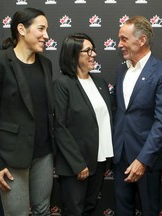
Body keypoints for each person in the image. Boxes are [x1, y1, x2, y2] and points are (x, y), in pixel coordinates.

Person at [0, 8, 54, 216]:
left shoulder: (46, 64)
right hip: (12, 159)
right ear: (21, 29)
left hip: (44, 155)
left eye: (47, 30)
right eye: (41, 29)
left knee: (43, 210)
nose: (46, 35)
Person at [113, 16, 162, 215]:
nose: (119, 44)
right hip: (120, 156)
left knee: (149, 210)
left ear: (141, 40)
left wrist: (143, 160)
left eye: (124, 39)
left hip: (146, 160)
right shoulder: (122, 70)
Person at [54, 33, 114, 216]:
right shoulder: (63, 84)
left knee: (89, 209)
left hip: (99, 161)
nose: (93, 54)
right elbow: (59, 127)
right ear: (73, 55)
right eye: (87, 50)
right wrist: (78, 164)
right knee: (74, 211)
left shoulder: (101, 83)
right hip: (76, 165)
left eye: (93, 49)